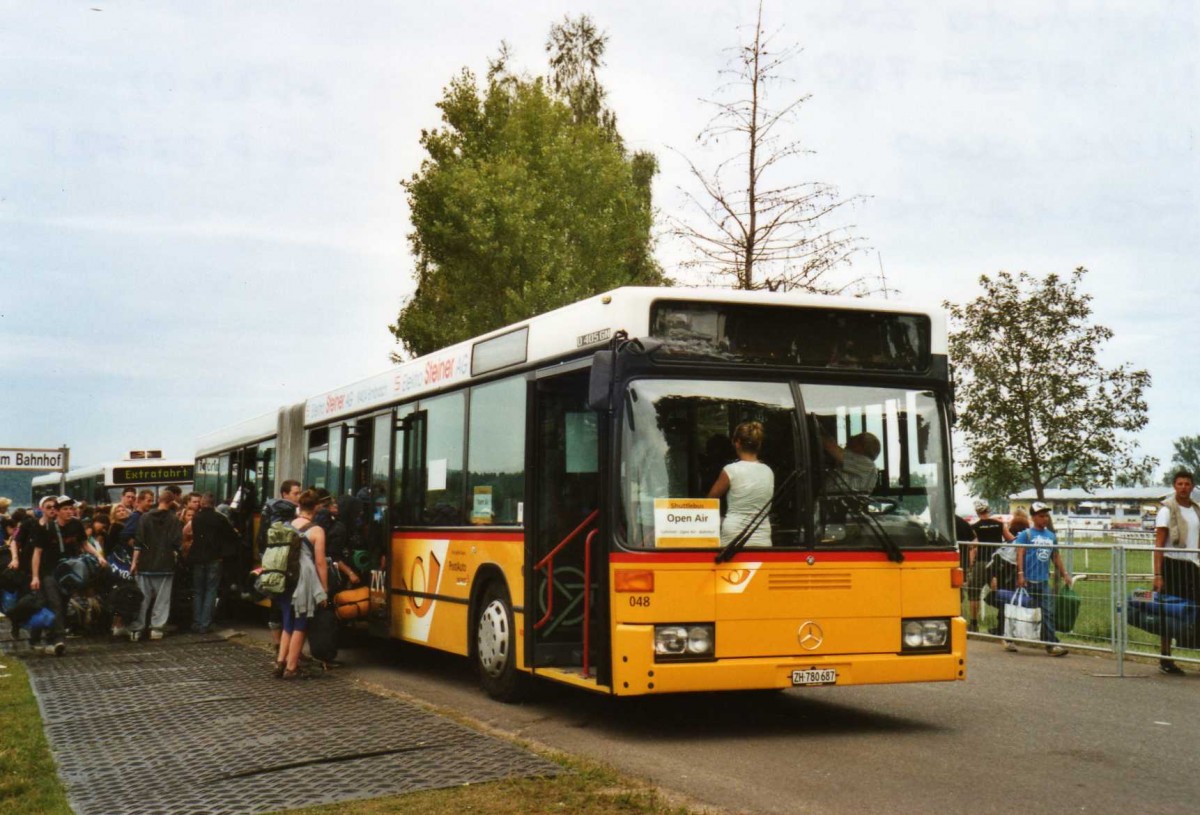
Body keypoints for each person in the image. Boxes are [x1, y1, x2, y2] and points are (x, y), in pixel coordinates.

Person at [276, 488, 329, 679]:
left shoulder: (287, 525)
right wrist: (324, 588)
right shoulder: (316, 530)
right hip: (303, 579)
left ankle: (280, 661)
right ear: (316, 507)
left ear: (300, 505)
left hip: (285, 576)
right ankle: (291, 667)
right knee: (301, 623)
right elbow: (320, 562)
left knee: (287, 622)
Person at [1153, 470, 1200, 675]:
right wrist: (1157, 574)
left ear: (1192, 486)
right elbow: (1159, 544)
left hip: (1191, 565)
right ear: (1174, 486)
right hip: (1172, 565)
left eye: (1187, 484)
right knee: (1168, 611)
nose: (1183, 487)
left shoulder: (1196, 510)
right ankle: (1165, 656)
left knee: (1195, 610)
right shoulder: (1167, 510)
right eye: (1179, 484)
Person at [1013, 501, 1072, 657]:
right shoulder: (1026, 535)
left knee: (1048, 612)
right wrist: (1020, 573)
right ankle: (1009, 636)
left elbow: (1055, 556)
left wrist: (1064, 573)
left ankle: (1050, 644)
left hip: (1043, 581)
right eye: (1041, 516)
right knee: (1021, 610)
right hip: (1027, 580)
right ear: (1033, 517)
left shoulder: (1051, 536)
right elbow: (1020, 554)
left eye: (1046, 516)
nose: (1045, 519)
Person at [707, 421, 775, 547]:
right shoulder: (768, 471)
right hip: (762, 536)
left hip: (734, 536)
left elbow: (709, 501)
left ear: (737, 443)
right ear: (758, 443)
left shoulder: (731, 470)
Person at [129, 491, 184, 641]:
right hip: (165, 564)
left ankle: (137, 628)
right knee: (162, 599)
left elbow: (138, 543)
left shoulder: (145, 518)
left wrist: (134, 562)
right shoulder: (174, 520)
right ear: (172, 502)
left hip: (145, 564)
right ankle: (156, 628)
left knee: (142, 598)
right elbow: (177, 543)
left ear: (158, 500)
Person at [187, 493, 237, 634]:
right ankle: (205, 623)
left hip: (197, 557)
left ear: (202, 503)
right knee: (211, 590)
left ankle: (196, 622)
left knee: (198, 591)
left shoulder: (196, 518)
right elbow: (232, 535)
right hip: (214, 558)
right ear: (214, 503)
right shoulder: (219, 518)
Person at [260, 480, 301, 648]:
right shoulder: (286, 512)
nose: (299, 497)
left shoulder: (270, 509)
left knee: (277, 601)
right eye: (296, 493)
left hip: (271, 561)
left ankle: (279, 645)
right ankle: (284, 647)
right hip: (284, 563)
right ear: (285, 494)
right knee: (284, 604)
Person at [29, 496, 68, 655]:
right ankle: (57, 639)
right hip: (46, 572)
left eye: (55, 507)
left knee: (56, 605)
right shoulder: (40, 528)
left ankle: (39, 637)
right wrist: (35, 576)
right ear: (42, 509)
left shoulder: (66, 527)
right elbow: (36, 553)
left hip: (63, 572)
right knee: (54, 603)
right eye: (49, 507)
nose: (52, 510)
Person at [970, 500, 1007, 633]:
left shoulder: (974, 527)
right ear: (989, 510)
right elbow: (1010, 539)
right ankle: (1001, 623)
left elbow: (973, 547)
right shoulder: (1000, 524)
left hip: (981, 562)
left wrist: (970, 564)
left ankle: (974, 624)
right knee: (1002, 591)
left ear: (977, 512)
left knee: (974, 592)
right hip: (997, 562)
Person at [821, 430, 881, 495]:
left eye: (855, 438)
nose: (850, 438)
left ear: (861, 446)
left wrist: (818, 434)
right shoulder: (856, 463)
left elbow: (830, 447)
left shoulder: (866, 463)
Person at [955, 514, 977, 630]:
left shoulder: (941, 521)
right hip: (962, 564)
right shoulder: (962, 522)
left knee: (956, 596)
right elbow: (974, 540)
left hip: (953, 563)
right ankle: (961, 624)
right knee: (958, 595)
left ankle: (958, 623)